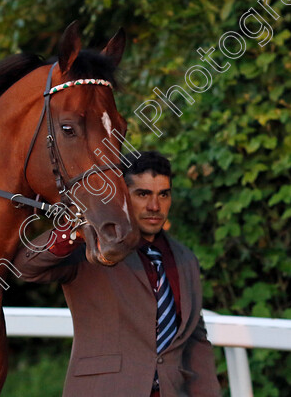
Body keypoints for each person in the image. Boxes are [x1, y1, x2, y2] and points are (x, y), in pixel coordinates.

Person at [12, 151, 221, 396]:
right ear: (122, 194)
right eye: (143, 194)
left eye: (163, 194)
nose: (155, 206)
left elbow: (196, 344)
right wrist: (73, 231)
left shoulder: (186, 259)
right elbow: (25, 267)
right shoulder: (93, 248)